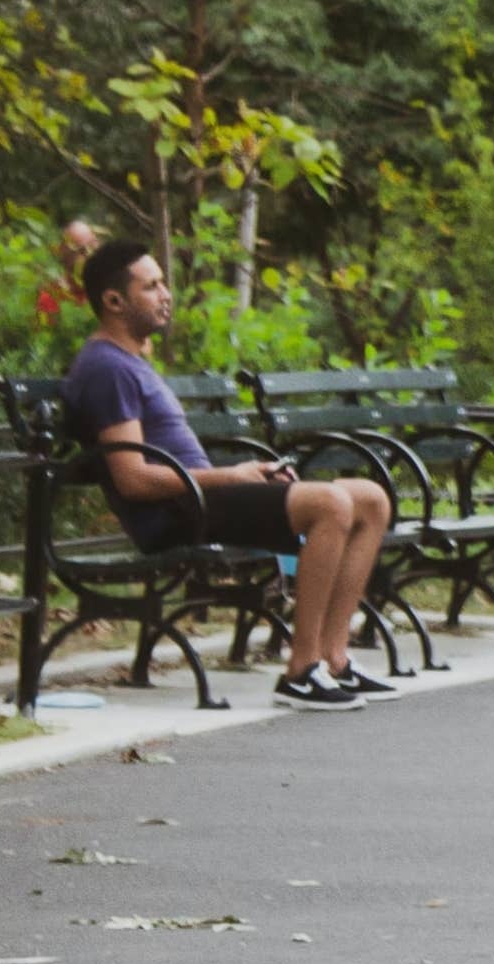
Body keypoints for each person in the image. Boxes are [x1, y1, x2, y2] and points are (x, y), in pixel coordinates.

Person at [63, 240, 397, 712]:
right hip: (175, 515)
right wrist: (232, 476)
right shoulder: (106, 369)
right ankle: (300, 672)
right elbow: (134, 480)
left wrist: (246, 475)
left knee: (370, 498)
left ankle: (334, 658)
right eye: (151, 285)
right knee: (331, 504)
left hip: (200, 498)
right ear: (114, 301)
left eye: (163, 282)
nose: (166, 294)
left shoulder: (130, 360)